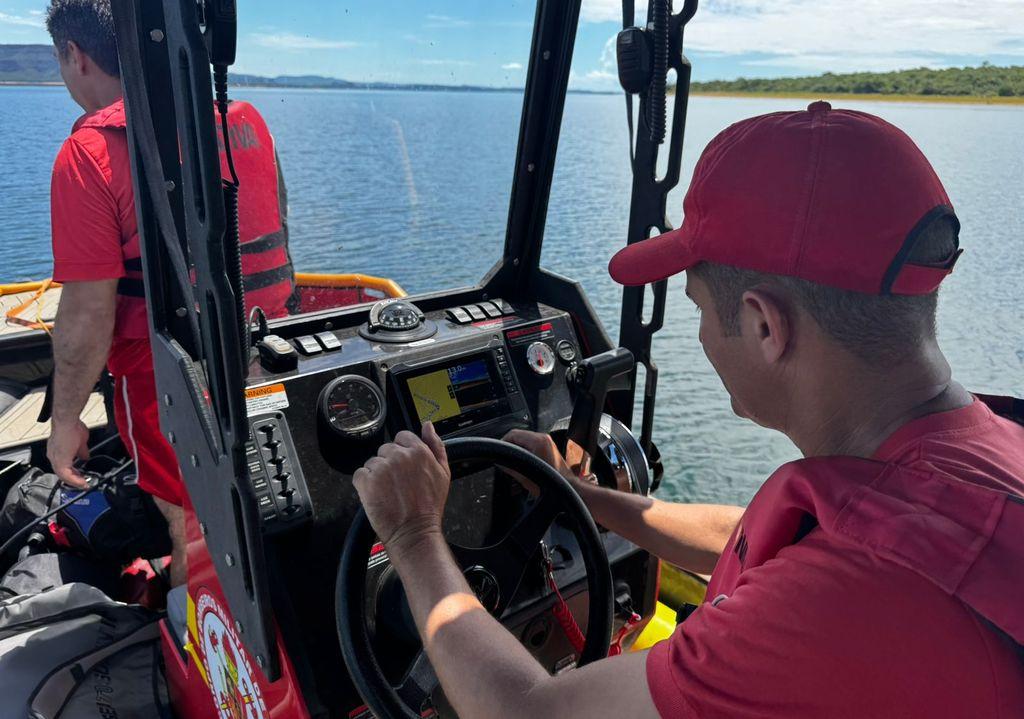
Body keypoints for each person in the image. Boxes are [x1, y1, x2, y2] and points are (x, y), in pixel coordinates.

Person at [352, 102, 1024, 717]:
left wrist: (413, 536)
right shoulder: (980, 450)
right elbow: (746, 533)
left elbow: (528, 711)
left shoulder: (843, 601)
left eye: (699, 309)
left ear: (766, 326)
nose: (699, 333)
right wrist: (581, 496)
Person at [44, 0, 294, 589]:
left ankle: (197, 660)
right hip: (271, 354)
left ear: (75, 56)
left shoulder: (87, 155)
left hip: (170, 382)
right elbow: (276, 223)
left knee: (193, 527)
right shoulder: (246, 119)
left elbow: (88, 311)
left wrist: (65, 420)